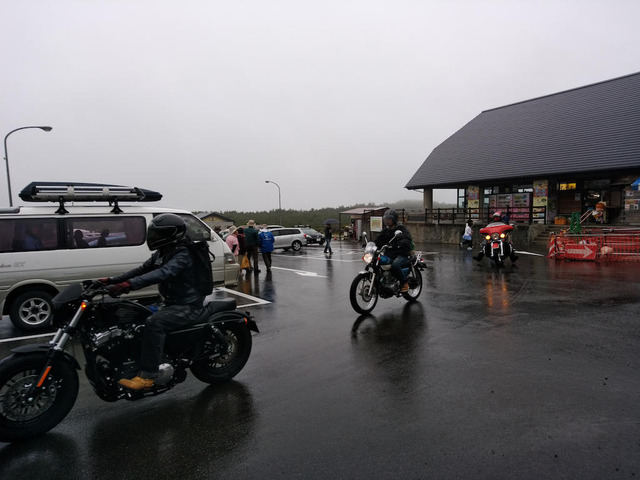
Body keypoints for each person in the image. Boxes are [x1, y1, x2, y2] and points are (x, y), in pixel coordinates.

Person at [102, 213, 204, 390]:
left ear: (172, 234)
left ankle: (148, 376)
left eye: (159, 234)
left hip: (188, 305)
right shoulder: (163, 251)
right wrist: (113, 280)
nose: (155, 238)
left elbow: (165, 272)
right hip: (171, 302)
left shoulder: (183, 253)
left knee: (154, 323)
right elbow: (142, 269)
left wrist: (130, 285)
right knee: (134, 317)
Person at [374, 209, 413, 292]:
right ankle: (384, 282)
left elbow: (407, 239)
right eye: (386, 219)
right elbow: (379, 240)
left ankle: (404, 283)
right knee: (377, 261)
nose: (387, 221)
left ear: (394, 219)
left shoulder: (401, 229)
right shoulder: (386, 230)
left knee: (395, 265)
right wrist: (371, 245)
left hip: (402, 253)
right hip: (390, 254)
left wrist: (399, 243)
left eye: (389, 219)